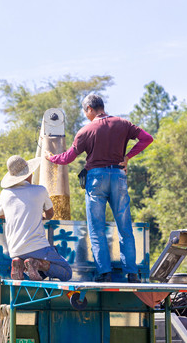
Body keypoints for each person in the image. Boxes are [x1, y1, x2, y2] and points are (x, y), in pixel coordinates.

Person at [45, 94, 153, 283]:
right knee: (125, 226)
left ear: (90, 109)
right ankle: (132, 273)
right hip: (118, 177)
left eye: (85, 112)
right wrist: (128, 156)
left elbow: (67, 158)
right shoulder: (123, 124)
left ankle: (104, 273)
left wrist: (50, 157)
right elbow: (147, 138)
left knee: (96, 227)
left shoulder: (86, 131)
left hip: (96, 179)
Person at [0, 155, 72, 282]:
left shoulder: (5, 194)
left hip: (14, 250)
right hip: (38, 247)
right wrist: (41, 216)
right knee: (66, 272)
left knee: (25, 257)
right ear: (28, 174)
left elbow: (1, 215)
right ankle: (38, 264)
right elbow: (50, 214)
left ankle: (18, 263)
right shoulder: (40, 190)